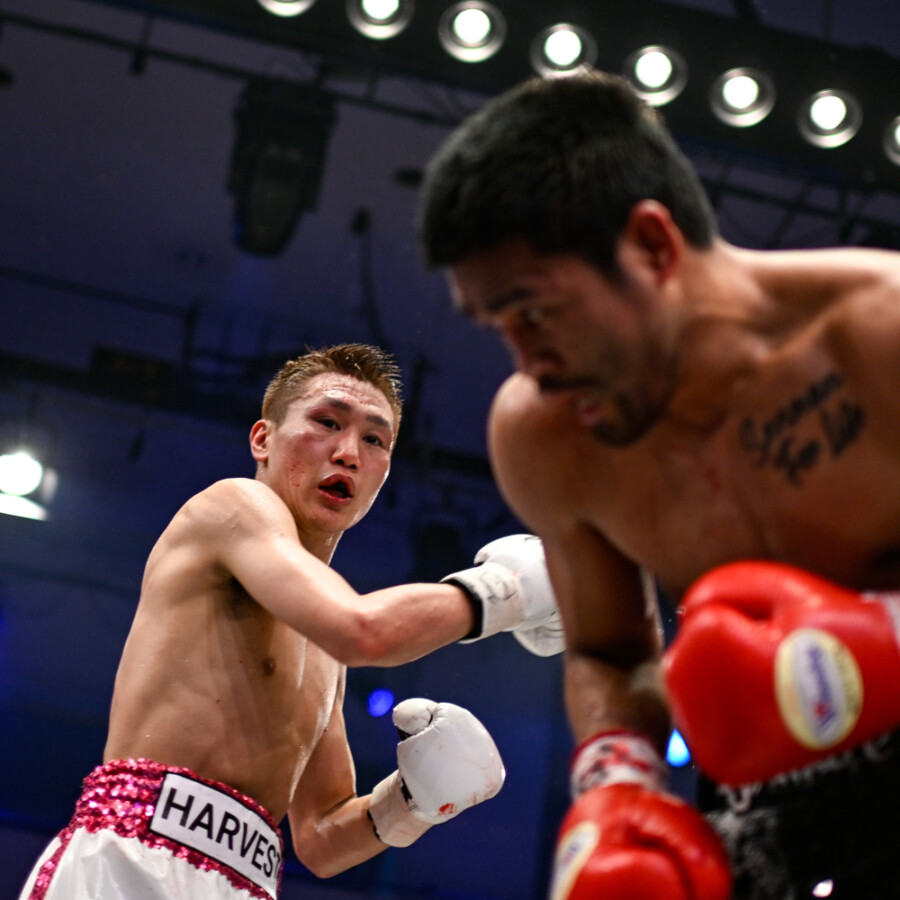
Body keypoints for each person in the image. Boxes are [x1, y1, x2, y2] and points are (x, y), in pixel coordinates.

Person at [418, 70, 900, 900]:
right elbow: (607, 652)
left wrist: (879, 643)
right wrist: (620, 787)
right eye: (498, 326)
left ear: (651, 245)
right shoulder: (548, 436)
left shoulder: (876, 334)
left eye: (535, 311)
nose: (528, 361)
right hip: (771, 816)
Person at [18, 343, 561, 899]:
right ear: (262, 439)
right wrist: (507, 591)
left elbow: (321, 839)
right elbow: (364, 630)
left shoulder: (324, 645)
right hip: (130, 860)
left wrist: (409, 804)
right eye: (327, 422)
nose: (348, 453)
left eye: (374, 440)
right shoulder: (232, 507)